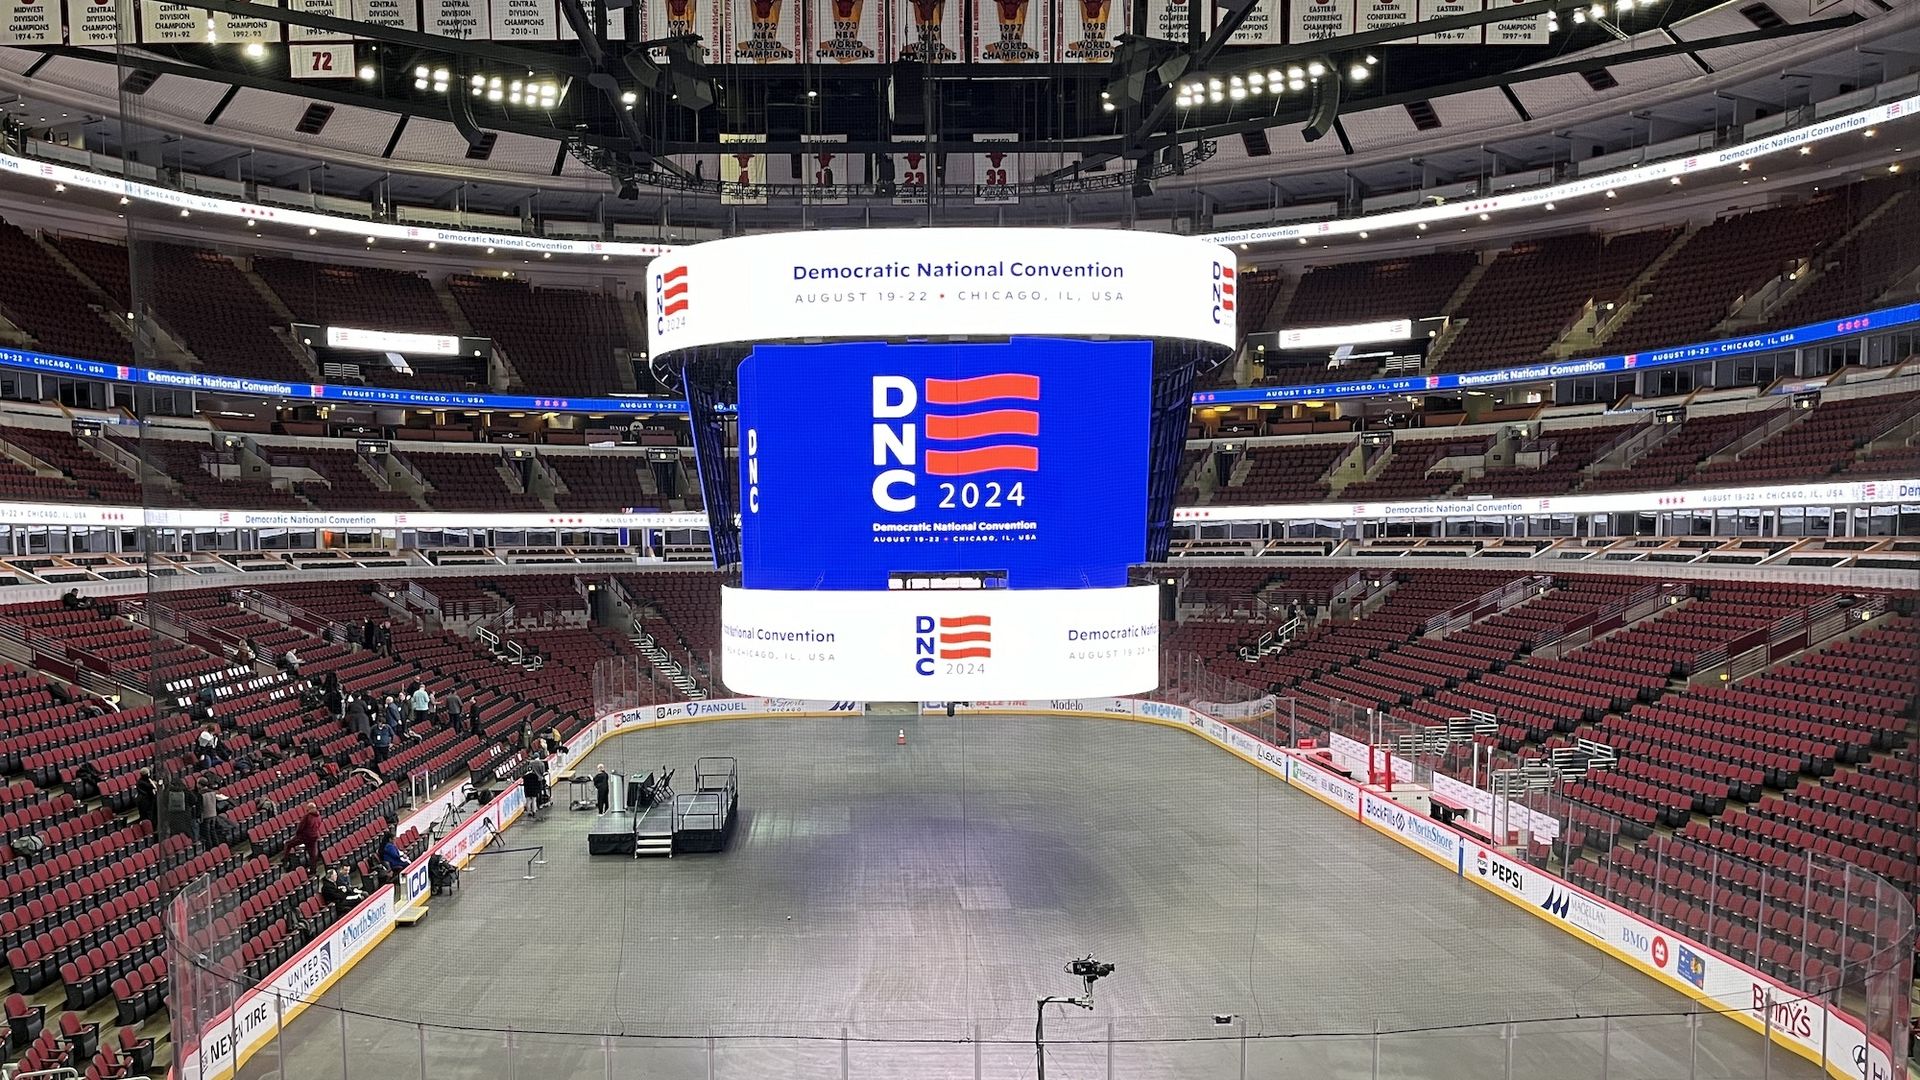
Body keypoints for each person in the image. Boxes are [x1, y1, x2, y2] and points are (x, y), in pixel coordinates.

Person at [285, 802, 324, 869]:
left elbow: (300, 827)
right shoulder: (319, 816)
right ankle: (313, 870)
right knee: (313, 855)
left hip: (304, 836)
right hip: (314, 837)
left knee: (288, 844)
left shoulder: (307, 816)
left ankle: (285, 861)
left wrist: (297, 834)